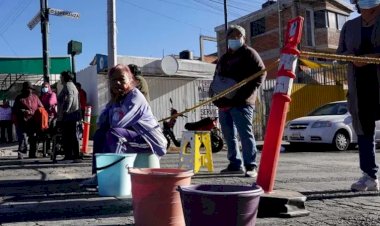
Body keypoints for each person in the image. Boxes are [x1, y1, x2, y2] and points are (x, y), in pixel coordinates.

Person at [81, 64, 167, 187]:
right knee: (99, 134)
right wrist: (111, 106)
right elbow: (101, 122)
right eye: (113, 80)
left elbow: (119, 123)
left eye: (121, 79)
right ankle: (98, 175)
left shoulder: (134, 97)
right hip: (133, 137)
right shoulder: (117, 99)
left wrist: (112, 111)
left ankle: (114, 176)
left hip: (150, 140)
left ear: (130, 80)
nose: (117, 83)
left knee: (115, 134)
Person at [210, 25, 266, 177]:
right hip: (224, 104)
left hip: (242, 103)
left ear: (243, 38)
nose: (234, 39)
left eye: (237, 36)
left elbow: (261, 74)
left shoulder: (249, 53)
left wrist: (244, 95)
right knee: (229, 135)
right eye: (231, 37)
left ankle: (251, 166)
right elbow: (217, 78)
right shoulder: (224, 58)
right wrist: (213, 95)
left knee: (245, 134)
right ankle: (235, 164)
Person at [337, 0, 380, 191]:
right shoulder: (349, 26)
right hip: (360, 87)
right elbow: (340, 56)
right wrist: (349, 57)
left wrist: (371, 58)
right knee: (364, 131)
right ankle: (369, 176)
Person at [13, 81, 43, 158]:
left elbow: (41, 107)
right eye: (28, 89)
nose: (29, 90)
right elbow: (15, 110)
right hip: (22, 121)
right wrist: (23, 111)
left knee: (33, 138)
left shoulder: (35, 97)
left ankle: (33, 153)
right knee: (23, 138)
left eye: (30, 89)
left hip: (32, 121)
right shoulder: (19, 98)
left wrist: (37, 112)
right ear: (24, 89)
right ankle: (22, 153)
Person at [57, 71, 82, 162]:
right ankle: (73, 156)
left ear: (65, 77)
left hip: (70, 116)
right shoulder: (72, 85)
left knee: (68, 136)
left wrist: (66, 110)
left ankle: (70, 156)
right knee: (72, 136)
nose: (60, 78)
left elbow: (70, 97)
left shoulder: (68, 85)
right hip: (73, 115)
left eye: (61, 76)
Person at [40, 82, 58, 151]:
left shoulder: (52, 94)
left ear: (49, 87)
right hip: (44, 115)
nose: (44, 88)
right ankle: (46, 147)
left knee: (52, 127)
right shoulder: (42, 96)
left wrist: (44, 106)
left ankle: (53, 146)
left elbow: (50, 102)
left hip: (52, 115)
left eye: (46, 87)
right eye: (43, 87)